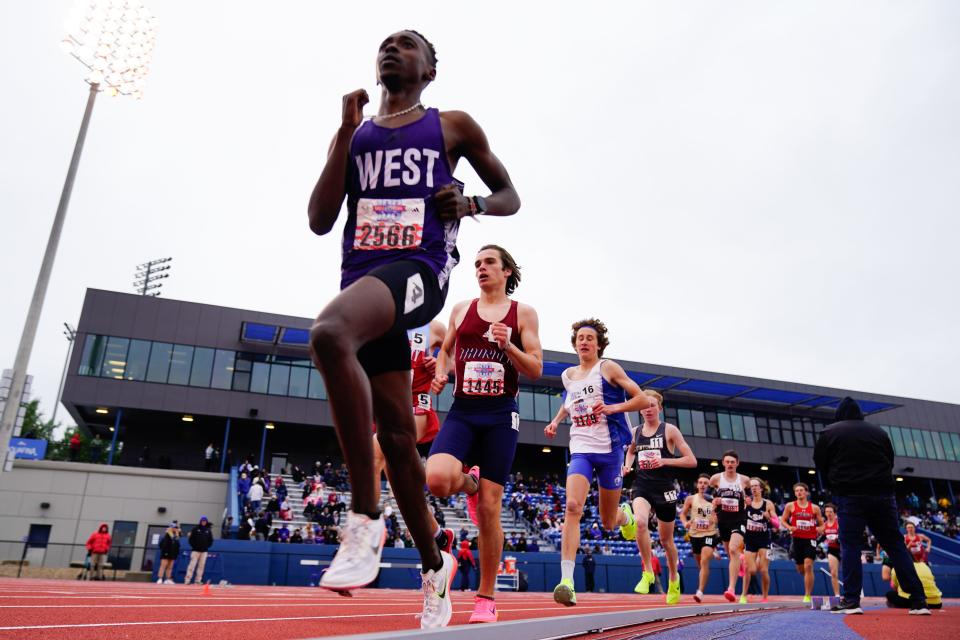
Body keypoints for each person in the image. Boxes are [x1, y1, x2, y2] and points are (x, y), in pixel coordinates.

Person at [306, 29, 520, 630]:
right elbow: (321, 220)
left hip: (419, 272)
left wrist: (472, 204)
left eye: (408, 43)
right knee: (399, 441)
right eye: (385, 43)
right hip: (366, 284)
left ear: (430, 68)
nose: (392, 48)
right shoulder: (357, 134)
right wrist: (344, 136)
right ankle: (435, 569)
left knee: (327, 335)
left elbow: (510, 194)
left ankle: (364, 518)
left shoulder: (452, 125)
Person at [426, 245, 542, 623]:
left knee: (491, 509)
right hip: (463, 410)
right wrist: (441, 372)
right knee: (438, 479)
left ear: (507, 270)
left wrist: (507, 344)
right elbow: (445, 351)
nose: (480, 268)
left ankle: (485, 598)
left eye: (489, 262)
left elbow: (536, 369)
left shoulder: (522, 313)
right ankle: (469, 485)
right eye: (476, 264)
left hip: (499, 415)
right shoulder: (460, 309)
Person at [544, 318, 653, 607]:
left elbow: (642, 399)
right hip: (581, 447)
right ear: (574, 342)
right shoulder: (568, 375)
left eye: (589, 337)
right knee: (571, 507)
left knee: (607, 523)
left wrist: (613, 407)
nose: (584, 341)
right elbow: (570, 402)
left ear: (598, 343)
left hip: (610, 449)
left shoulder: (608, 368)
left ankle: (625, 516)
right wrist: (556, 421)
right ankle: (567, 581)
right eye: (580, 337)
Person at [814, 397, 930, 615]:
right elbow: (889, 460)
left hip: (850, 495)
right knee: (895, 545)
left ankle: (851, 601)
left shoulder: (829, 432)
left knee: (850, 546)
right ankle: (918, 601)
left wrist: (836, 482)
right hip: (882, 496)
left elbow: (820, 463)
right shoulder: (879, 432)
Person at [371, 319, 455, 555]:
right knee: (403, 487)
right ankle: (439, 536)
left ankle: (364, 531)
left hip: (418, 403)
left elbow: (458, 360)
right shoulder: (379, 320)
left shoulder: (434, 328)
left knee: (376, 450)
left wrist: (439, 366)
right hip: (387, 404)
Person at [622, 389, 697, 604]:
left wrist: (665, 461)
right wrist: (627, 466)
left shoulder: (670, 430)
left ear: (659, 408)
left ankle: (674, 577)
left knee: (666, 541)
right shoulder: (635, 431)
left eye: (652, 405)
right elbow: (630, 451)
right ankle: (647, 572)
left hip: (665, 489)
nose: (648, 409)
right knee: (640, 523)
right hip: (642, 486)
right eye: (644, 405)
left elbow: (691, 460)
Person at [709, 450, 751, 602]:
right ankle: (738, 561)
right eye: (727, 462)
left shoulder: (744, 480)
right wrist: (715, 501)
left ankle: (731, 589)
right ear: (723, 463)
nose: (730, 464)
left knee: (733, 549)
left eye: (733, 462)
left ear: (737, 463)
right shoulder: (715, 478)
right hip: (723, 521)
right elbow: (710, 497)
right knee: (730, 553)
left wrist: (749, 501)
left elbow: (751, 497)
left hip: (739, 519)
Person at [782, 482, 824, 603]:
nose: (799, 492)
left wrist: (819, 529)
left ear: (806, 492)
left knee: (808, 565)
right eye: (797, 491)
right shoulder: (790, 506)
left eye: (801, 490)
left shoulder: (814, 508)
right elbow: (783, 520)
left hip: (810, 539)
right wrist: (789, 527)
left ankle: (807, 595)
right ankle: (807, 578)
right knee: (801, 569)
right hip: (797, 539)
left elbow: (821, 524)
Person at [680, 473, 718, 603]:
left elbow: (719, 518)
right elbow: (683, 514)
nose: (702, 485)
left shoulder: (714, 500)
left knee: (704, 561)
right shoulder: (691, 499)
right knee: (700, 565)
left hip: (709, 534)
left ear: (709, 486)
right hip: (695, 535)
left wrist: (715, 518)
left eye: (705, 483)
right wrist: (685, 523)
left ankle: (700, 591)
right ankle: (703, 578)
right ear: (697, 484)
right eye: (700, 482)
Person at [742, 477, 778, 603]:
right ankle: (743, 595)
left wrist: (769, 518)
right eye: (751, 486)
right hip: (750, 539)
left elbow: (777, 525)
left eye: (756, 486)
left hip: (765, 541)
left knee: (763, 570)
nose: (754, 488)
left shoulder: (768, 504)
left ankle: (765, 596)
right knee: (750, 570)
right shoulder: (746, 502)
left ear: (761, 488)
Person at [184, 516, 214, 585]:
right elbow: (191, 539)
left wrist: (207, 546)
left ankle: (198, 580)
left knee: (201, 566)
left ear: (206, 522)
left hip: (204, 551)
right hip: (195, 551)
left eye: (205, 521)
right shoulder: (195, 529)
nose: (203, 522)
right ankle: (187, 579)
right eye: (202, 521)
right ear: (200, 521)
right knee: (192, 565)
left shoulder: (208, 530)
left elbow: (211, 540)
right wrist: (194, 546)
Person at [823, 503, 841, 597]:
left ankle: (855, 593)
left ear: (834, 513)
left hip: (843, 550)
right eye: (827, 512)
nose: (828, 513)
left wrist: (838, 538)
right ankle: (837, 595)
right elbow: (821, 537)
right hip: (832, 550)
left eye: (830, 512)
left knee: (849, 573)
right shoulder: (824, 525)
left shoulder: (839, 523)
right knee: (833, 573)